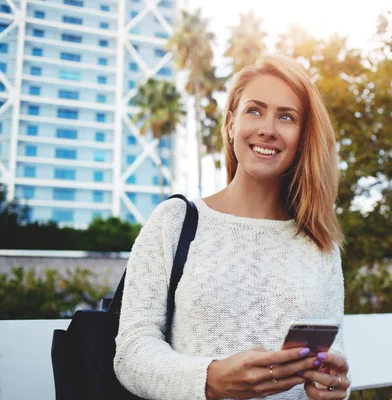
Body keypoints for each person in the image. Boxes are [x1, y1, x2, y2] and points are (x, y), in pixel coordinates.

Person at [114, 54, 351, 400]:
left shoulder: (321, 246)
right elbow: (131, 352)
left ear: (302, 137)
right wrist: (208, 379)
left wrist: (332, 387)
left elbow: (334, 362)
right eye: (254, 110)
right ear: (230, 124)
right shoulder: (174, 221)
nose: (268, 128)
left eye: (286, 117)